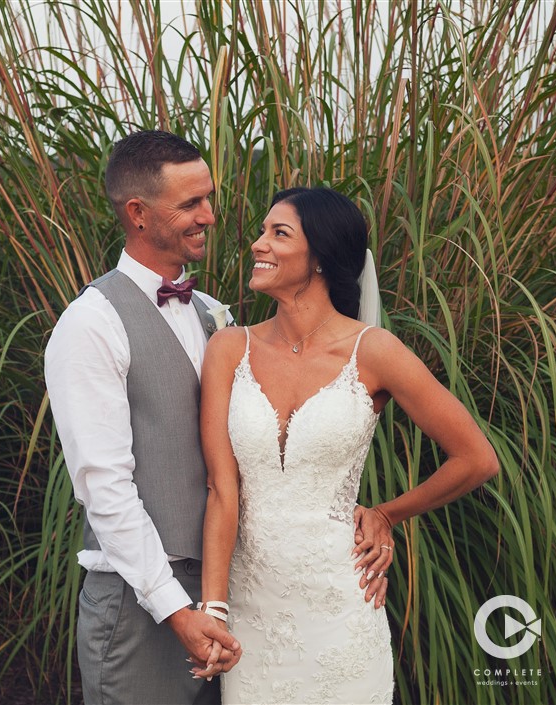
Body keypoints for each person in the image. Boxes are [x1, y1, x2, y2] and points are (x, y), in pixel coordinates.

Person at [198, 186, 500, 704]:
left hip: (341, 599)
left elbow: (476, 459)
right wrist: (215, 609)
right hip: (251, 607)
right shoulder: (229, 347)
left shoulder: (373, 350)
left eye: (279, 233)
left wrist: (386, 513)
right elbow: (222, 489)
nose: (257, 244)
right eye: (262, 231)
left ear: (320, 257)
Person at [45, 130, 242, 705]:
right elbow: (104, 488)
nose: (209, 215)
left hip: (221, 590)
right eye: (190, 204)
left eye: (209, 197)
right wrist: (175, 609)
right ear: (137, 212)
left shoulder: (212, 312)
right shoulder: (91, 324)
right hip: (140, 602)